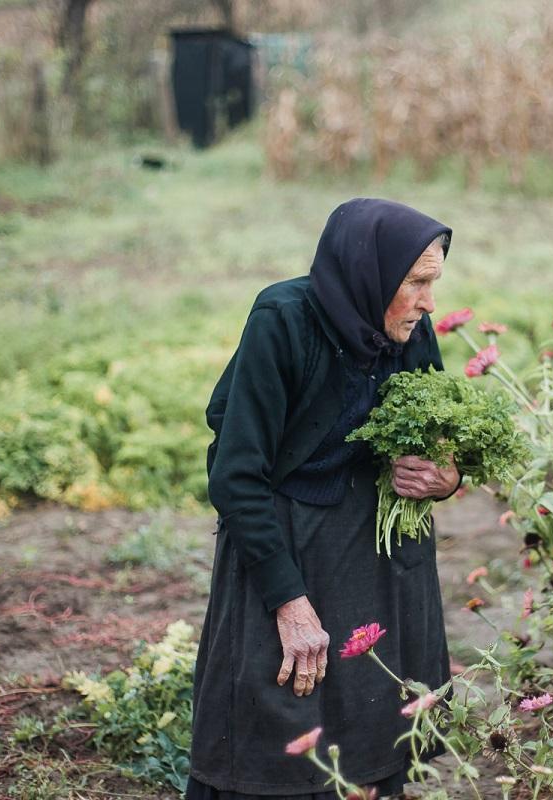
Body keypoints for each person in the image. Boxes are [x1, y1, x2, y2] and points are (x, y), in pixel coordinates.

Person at [187, 198, 461, 800]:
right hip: (286, 547)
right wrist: (288, 601)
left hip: (375, 555)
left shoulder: (407, 328)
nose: (429, 302)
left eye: (433, 284)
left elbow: (442, 438)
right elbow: (236, 476)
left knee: (374, 718)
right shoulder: (284, 320)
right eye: (416, 283)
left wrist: (445, 478)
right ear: (372, 275)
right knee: (277, 721)